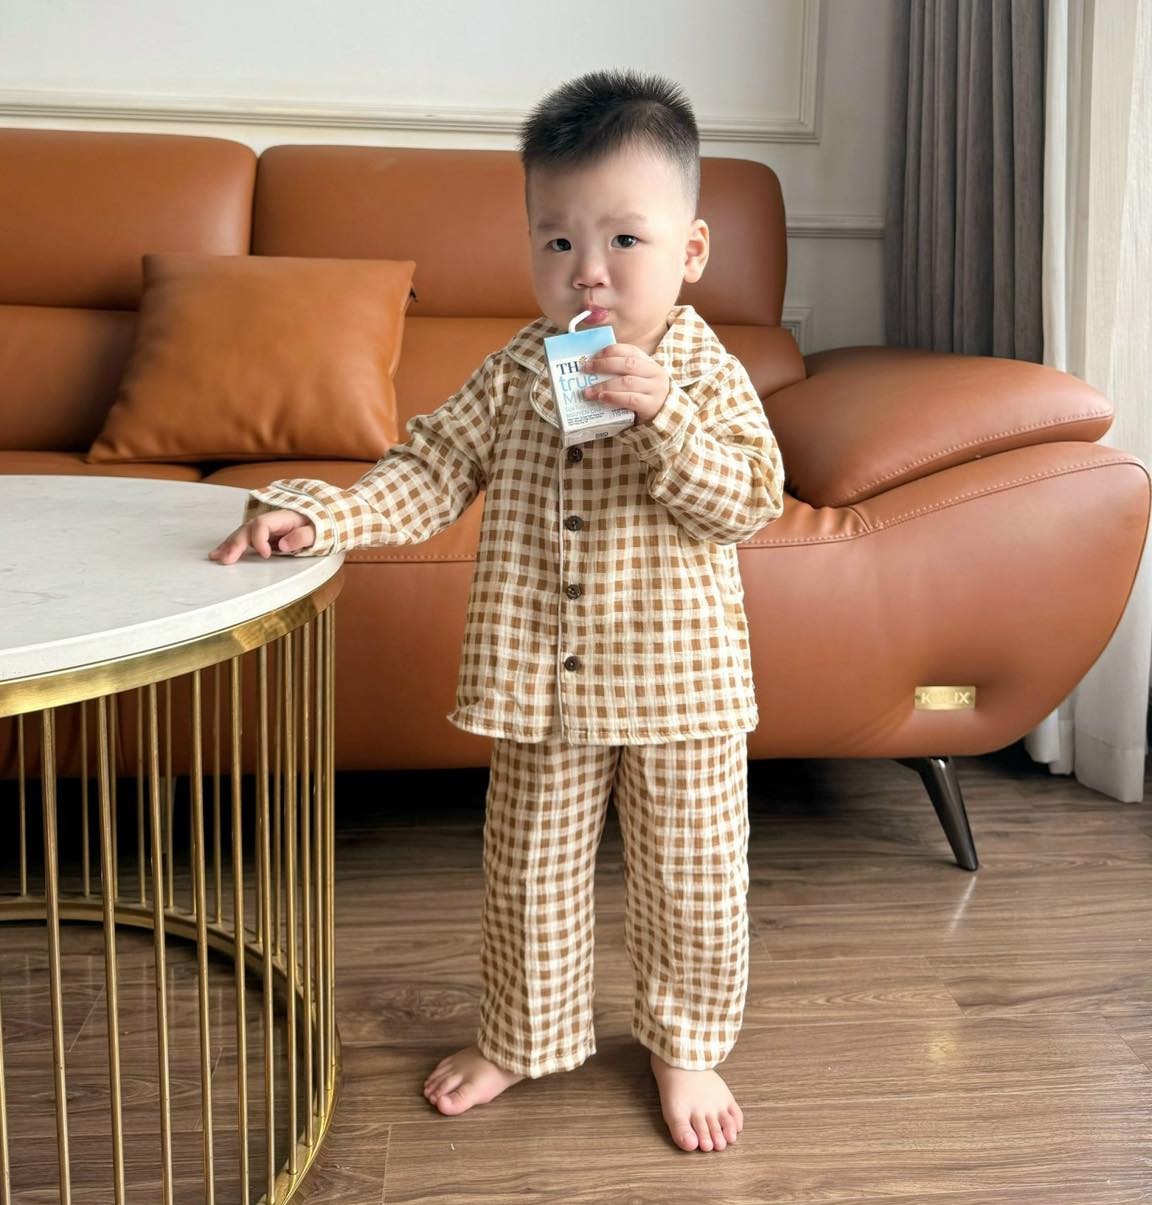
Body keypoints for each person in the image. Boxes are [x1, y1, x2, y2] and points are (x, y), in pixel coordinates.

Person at [211, 68, 785, 1154]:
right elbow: (430, 467)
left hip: (686, 688)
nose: (589, 271)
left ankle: (686, 1043)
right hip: (542, 680)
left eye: (625, 240)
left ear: (692, 252)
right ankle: (524, 1033)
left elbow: (749, 503)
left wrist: (664, 417)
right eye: (558, 241)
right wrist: (324, 513)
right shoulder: (519, 369)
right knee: (528, 871)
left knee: (696, 877)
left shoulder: (707, 376)